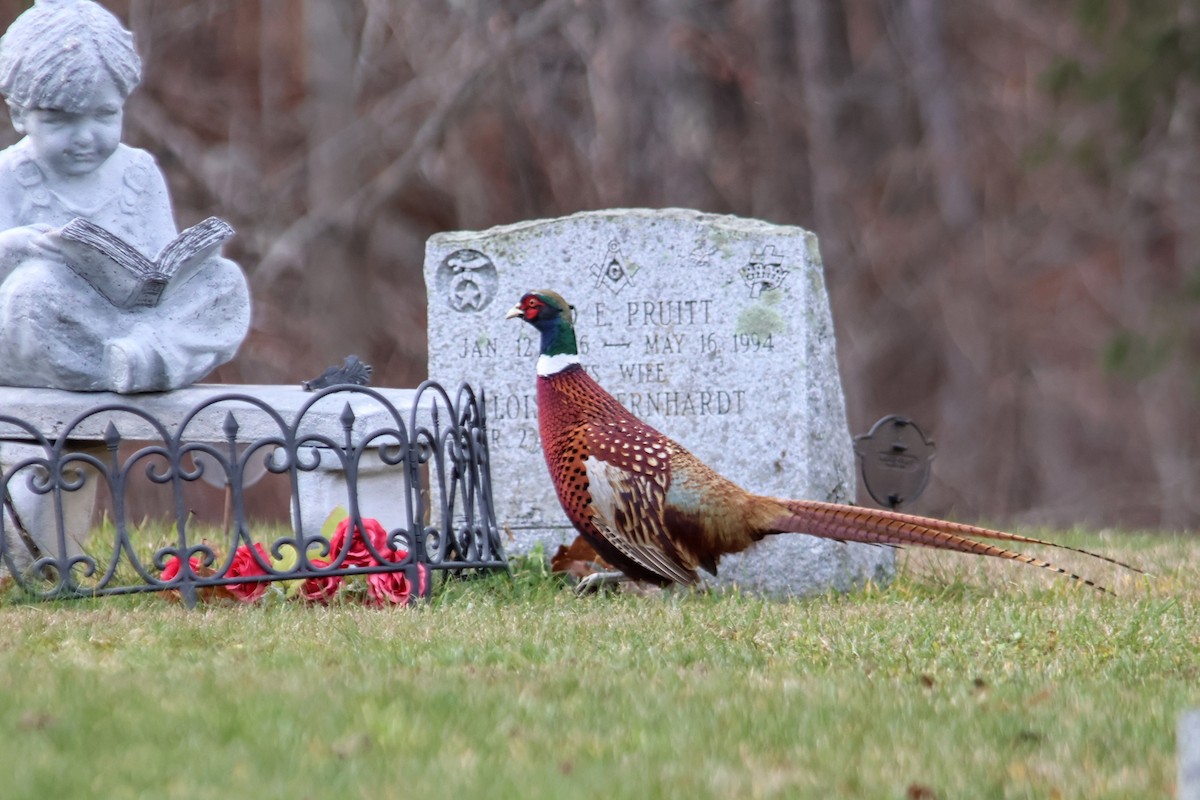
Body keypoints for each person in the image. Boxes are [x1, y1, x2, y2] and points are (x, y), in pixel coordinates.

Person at [0, 0, 250, 393]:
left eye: (104, 115)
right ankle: (117, 364)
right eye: (60, 119)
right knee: (33, 290)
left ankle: (142, 358)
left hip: (136, 319)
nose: (85, 137)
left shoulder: (138, 171)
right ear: (18, 114)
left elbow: (161, 260)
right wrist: (14, 246)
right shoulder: (9, 175)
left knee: (224, 281)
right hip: (59, 320)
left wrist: (177, 270)